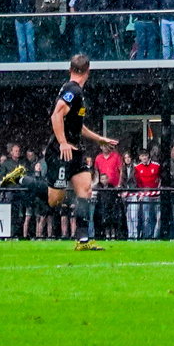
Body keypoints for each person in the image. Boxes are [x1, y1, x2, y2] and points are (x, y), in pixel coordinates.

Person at [51, 54, 121, 250]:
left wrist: (99, 139)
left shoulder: (76, 91)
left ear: (70, 69)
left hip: (76, 149)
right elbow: (56, 115)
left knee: (85, 191)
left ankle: (83, 240)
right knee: (54, 199)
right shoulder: (72, 90)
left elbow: (77, 126)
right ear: (88, 71)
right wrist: (63, 142)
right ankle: (23, 179)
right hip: (61, 150)